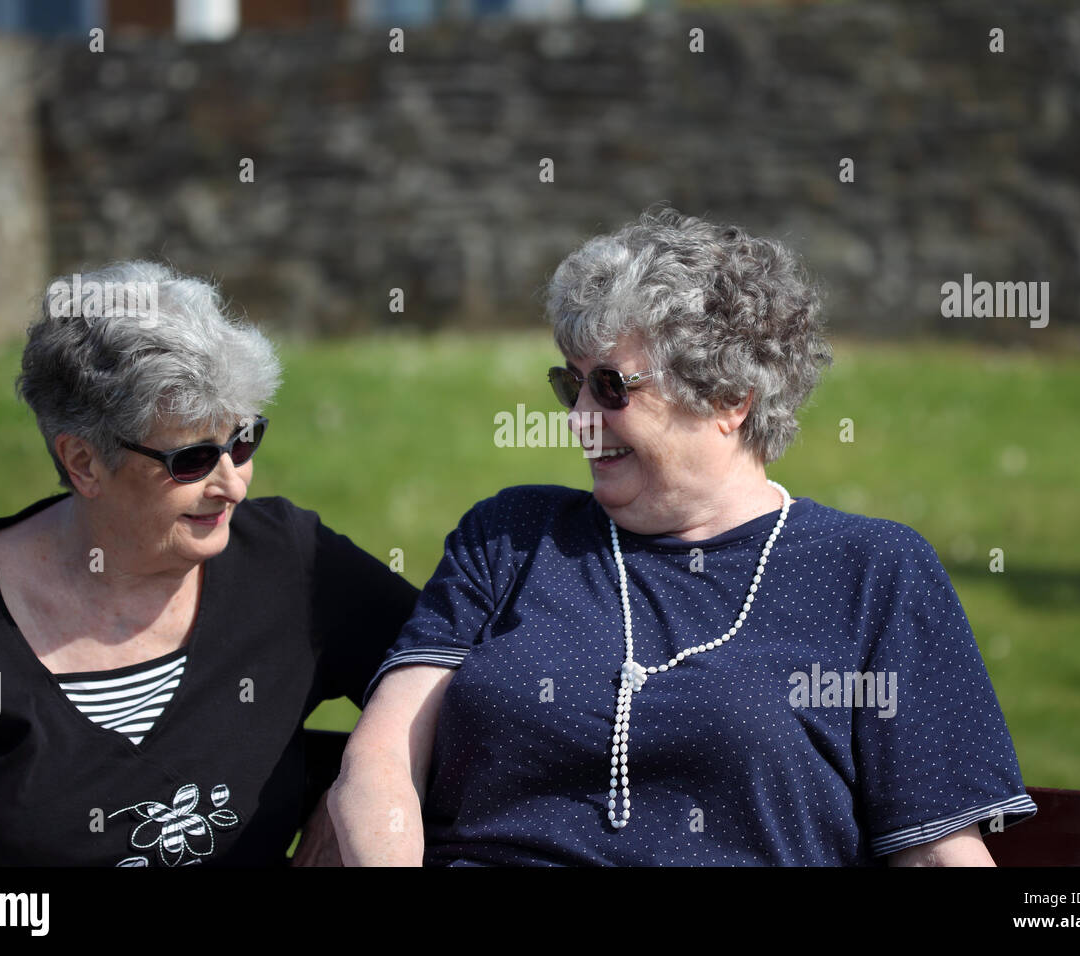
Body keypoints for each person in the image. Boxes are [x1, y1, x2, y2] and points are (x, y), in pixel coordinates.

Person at [327, 204, 1037, 866]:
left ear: (729, 398)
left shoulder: (870, 570)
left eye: (610, 388)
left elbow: (941, 851)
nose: (577, 419)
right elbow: (381, 758)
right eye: (567, 385)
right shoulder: (511, 536)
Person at [0, 261, 417, 866]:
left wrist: (354, 796)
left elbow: (467, 694)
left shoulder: (291, 563)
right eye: (192, 459)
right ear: (83, 462)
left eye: (243, 441)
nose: (234, 485)